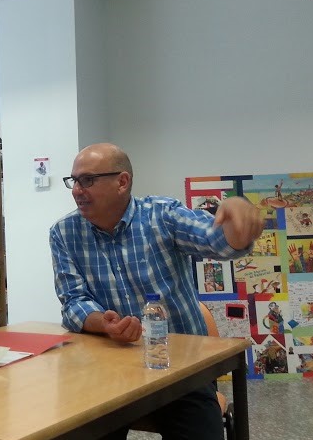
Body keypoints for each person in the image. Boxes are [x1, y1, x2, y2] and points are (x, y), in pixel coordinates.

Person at [50, 143, 262, 440]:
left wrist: (239, 221)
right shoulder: (64, 232)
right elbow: (73, 300)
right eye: (74, 181)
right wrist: (104, 323)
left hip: (180, 369)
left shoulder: (162, 215)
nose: (76, 190)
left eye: (88, 180)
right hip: (107, 369)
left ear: (122, 181)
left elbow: (218, 240)